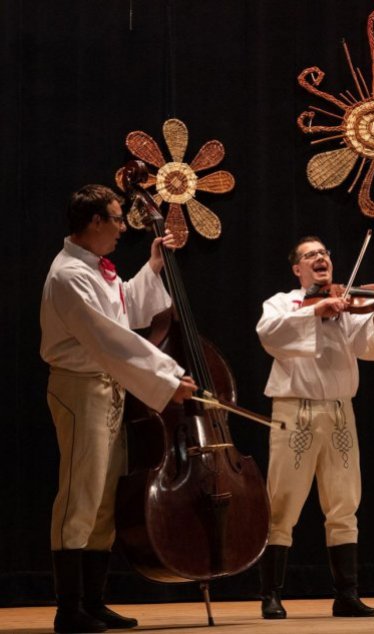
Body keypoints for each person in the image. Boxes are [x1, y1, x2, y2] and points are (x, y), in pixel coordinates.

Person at [40, 184, 197, 634]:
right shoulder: (68, 274)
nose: (123, 227)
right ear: (94, 222)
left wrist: (151, 268)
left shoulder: (93, 268)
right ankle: (68, 609)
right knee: (80, 493)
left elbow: (124, 307)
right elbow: (110, 338)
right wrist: (167, 380)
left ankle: (93, 601)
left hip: (107, 386)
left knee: (105, 497)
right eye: (116, 218)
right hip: (81, 387)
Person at [255, 236, 374, 619]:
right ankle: (271, 595)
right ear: (298, 269)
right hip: (296, 411)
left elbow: (371, 348)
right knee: (283, 504)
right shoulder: (282, 302)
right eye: (311, 255)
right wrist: (314, 311)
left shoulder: (346, 306)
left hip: (341, 411)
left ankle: (347, 595)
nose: (320, 258)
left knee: (344, 504)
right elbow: (269, 335)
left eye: (324, 253)